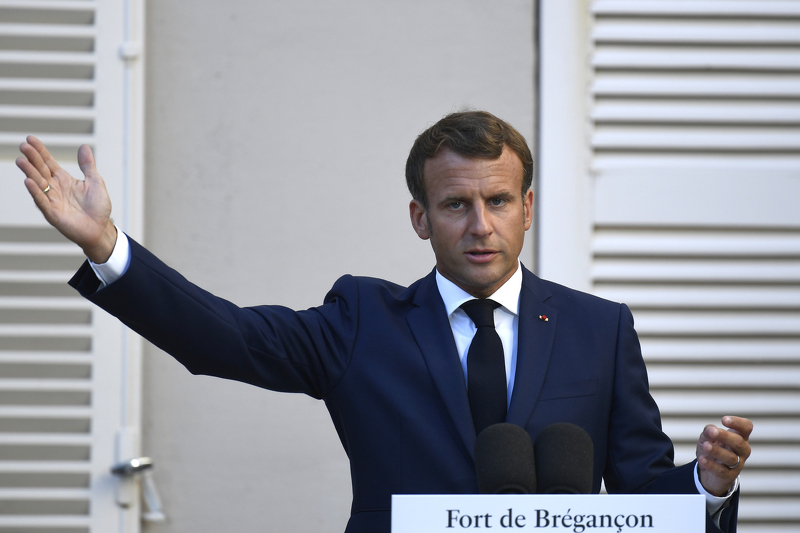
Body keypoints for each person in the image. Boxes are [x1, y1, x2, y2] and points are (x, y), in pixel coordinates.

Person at [17, 111, 751, 533]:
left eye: (499, 201)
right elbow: (225, 337)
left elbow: (647, 498)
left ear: (528, 207)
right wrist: (106, 247)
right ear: (420, 218)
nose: (480, 225)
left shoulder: (600, 329)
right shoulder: (363, 321)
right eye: (456, 204)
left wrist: (708, 485)